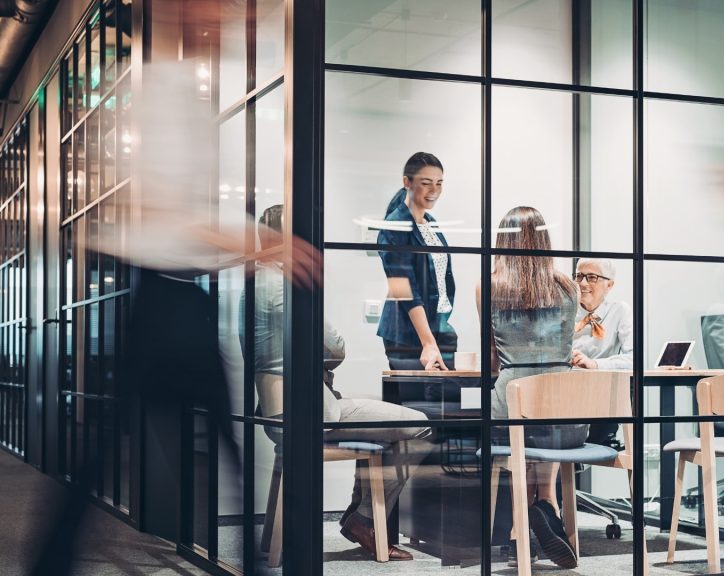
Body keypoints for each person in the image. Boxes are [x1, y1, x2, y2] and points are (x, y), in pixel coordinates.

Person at [29, 27, 322, 575]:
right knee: (190, 443)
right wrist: (266, 242)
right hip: (165, 298)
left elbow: (188, 229)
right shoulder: (161, 91)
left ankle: (51, 560)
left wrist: (251, 252)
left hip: (181, 293)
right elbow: (171, 216)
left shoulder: (183, 88)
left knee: (196, 441)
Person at [248, 205, 429, 562]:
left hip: (275, 412)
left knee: (379, 428)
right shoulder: (288, 286)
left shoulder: (252, 286)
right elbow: (336, 348)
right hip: (314, 411)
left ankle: (356, 516)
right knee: (419, 425)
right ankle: (362, 518)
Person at [477, 206, 584, 569]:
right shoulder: (568, 285)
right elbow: (564, 350)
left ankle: (517, 532)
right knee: (544, 416)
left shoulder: (488, 285)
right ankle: (547, 505)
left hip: (514, 409)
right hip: (568, 420)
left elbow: (492, 360)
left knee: (520, 423)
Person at [377, 152, 457, 377]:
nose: (434, 190)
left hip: (438, 327)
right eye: (426, 183)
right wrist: (428, 342)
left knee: (444, 405)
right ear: (407, 182)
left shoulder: (431, 224)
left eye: (439, 183)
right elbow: (404, 288)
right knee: (418, 408)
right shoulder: (395, 226)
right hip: (409, 335)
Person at [569, 258, 633, 448]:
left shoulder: (619, 310)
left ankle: (598, 443)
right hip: (567, 393)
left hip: (602, 396)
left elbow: (634, 359)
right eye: (579, 276)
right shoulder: (564, 309)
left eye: (592, 277)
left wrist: (595, 364)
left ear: (609, 285)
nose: (582, 283)